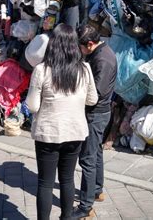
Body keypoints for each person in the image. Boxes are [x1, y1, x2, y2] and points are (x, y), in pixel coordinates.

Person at [25, 24, 98, 220]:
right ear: (75, 45)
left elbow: (32, 106)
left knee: (45, 183)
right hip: (74, 131)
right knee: (67, 179)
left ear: (53, 45)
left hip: (48, 132)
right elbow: (92, 100)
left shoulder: (41, 70)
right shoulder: (85, 69)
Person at [72, 24, 117, 219]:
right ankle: (96, 191)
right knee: (95, 153)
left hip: (96, 114)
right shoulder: (100, 53)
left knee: (87, 159)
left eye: (81, 47)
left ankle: (85, 207)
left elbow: (95, 94)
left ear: (90, 44)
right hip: (98, 113)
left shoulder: (103, 60)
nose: (80, 51)